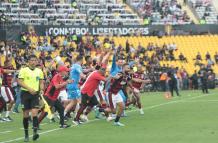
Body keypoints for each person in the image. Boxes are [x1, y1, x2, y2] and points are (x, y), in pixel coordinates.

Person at [17, 55, 45, 142]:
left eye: (35, 60)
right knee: (25, 115)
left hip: (35, 94)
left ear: (37, 61)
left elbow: (41, 82)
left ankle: (35, 133)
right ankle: (26, 135)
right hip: (25, 94)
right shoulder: (23, 70)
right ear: (28, 61)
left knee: (34, 113)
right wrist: (29, 89)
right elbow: (20, 81)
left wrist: (41, 89)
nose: (33, 62)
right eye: (32, 60)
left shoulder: (39, 71)